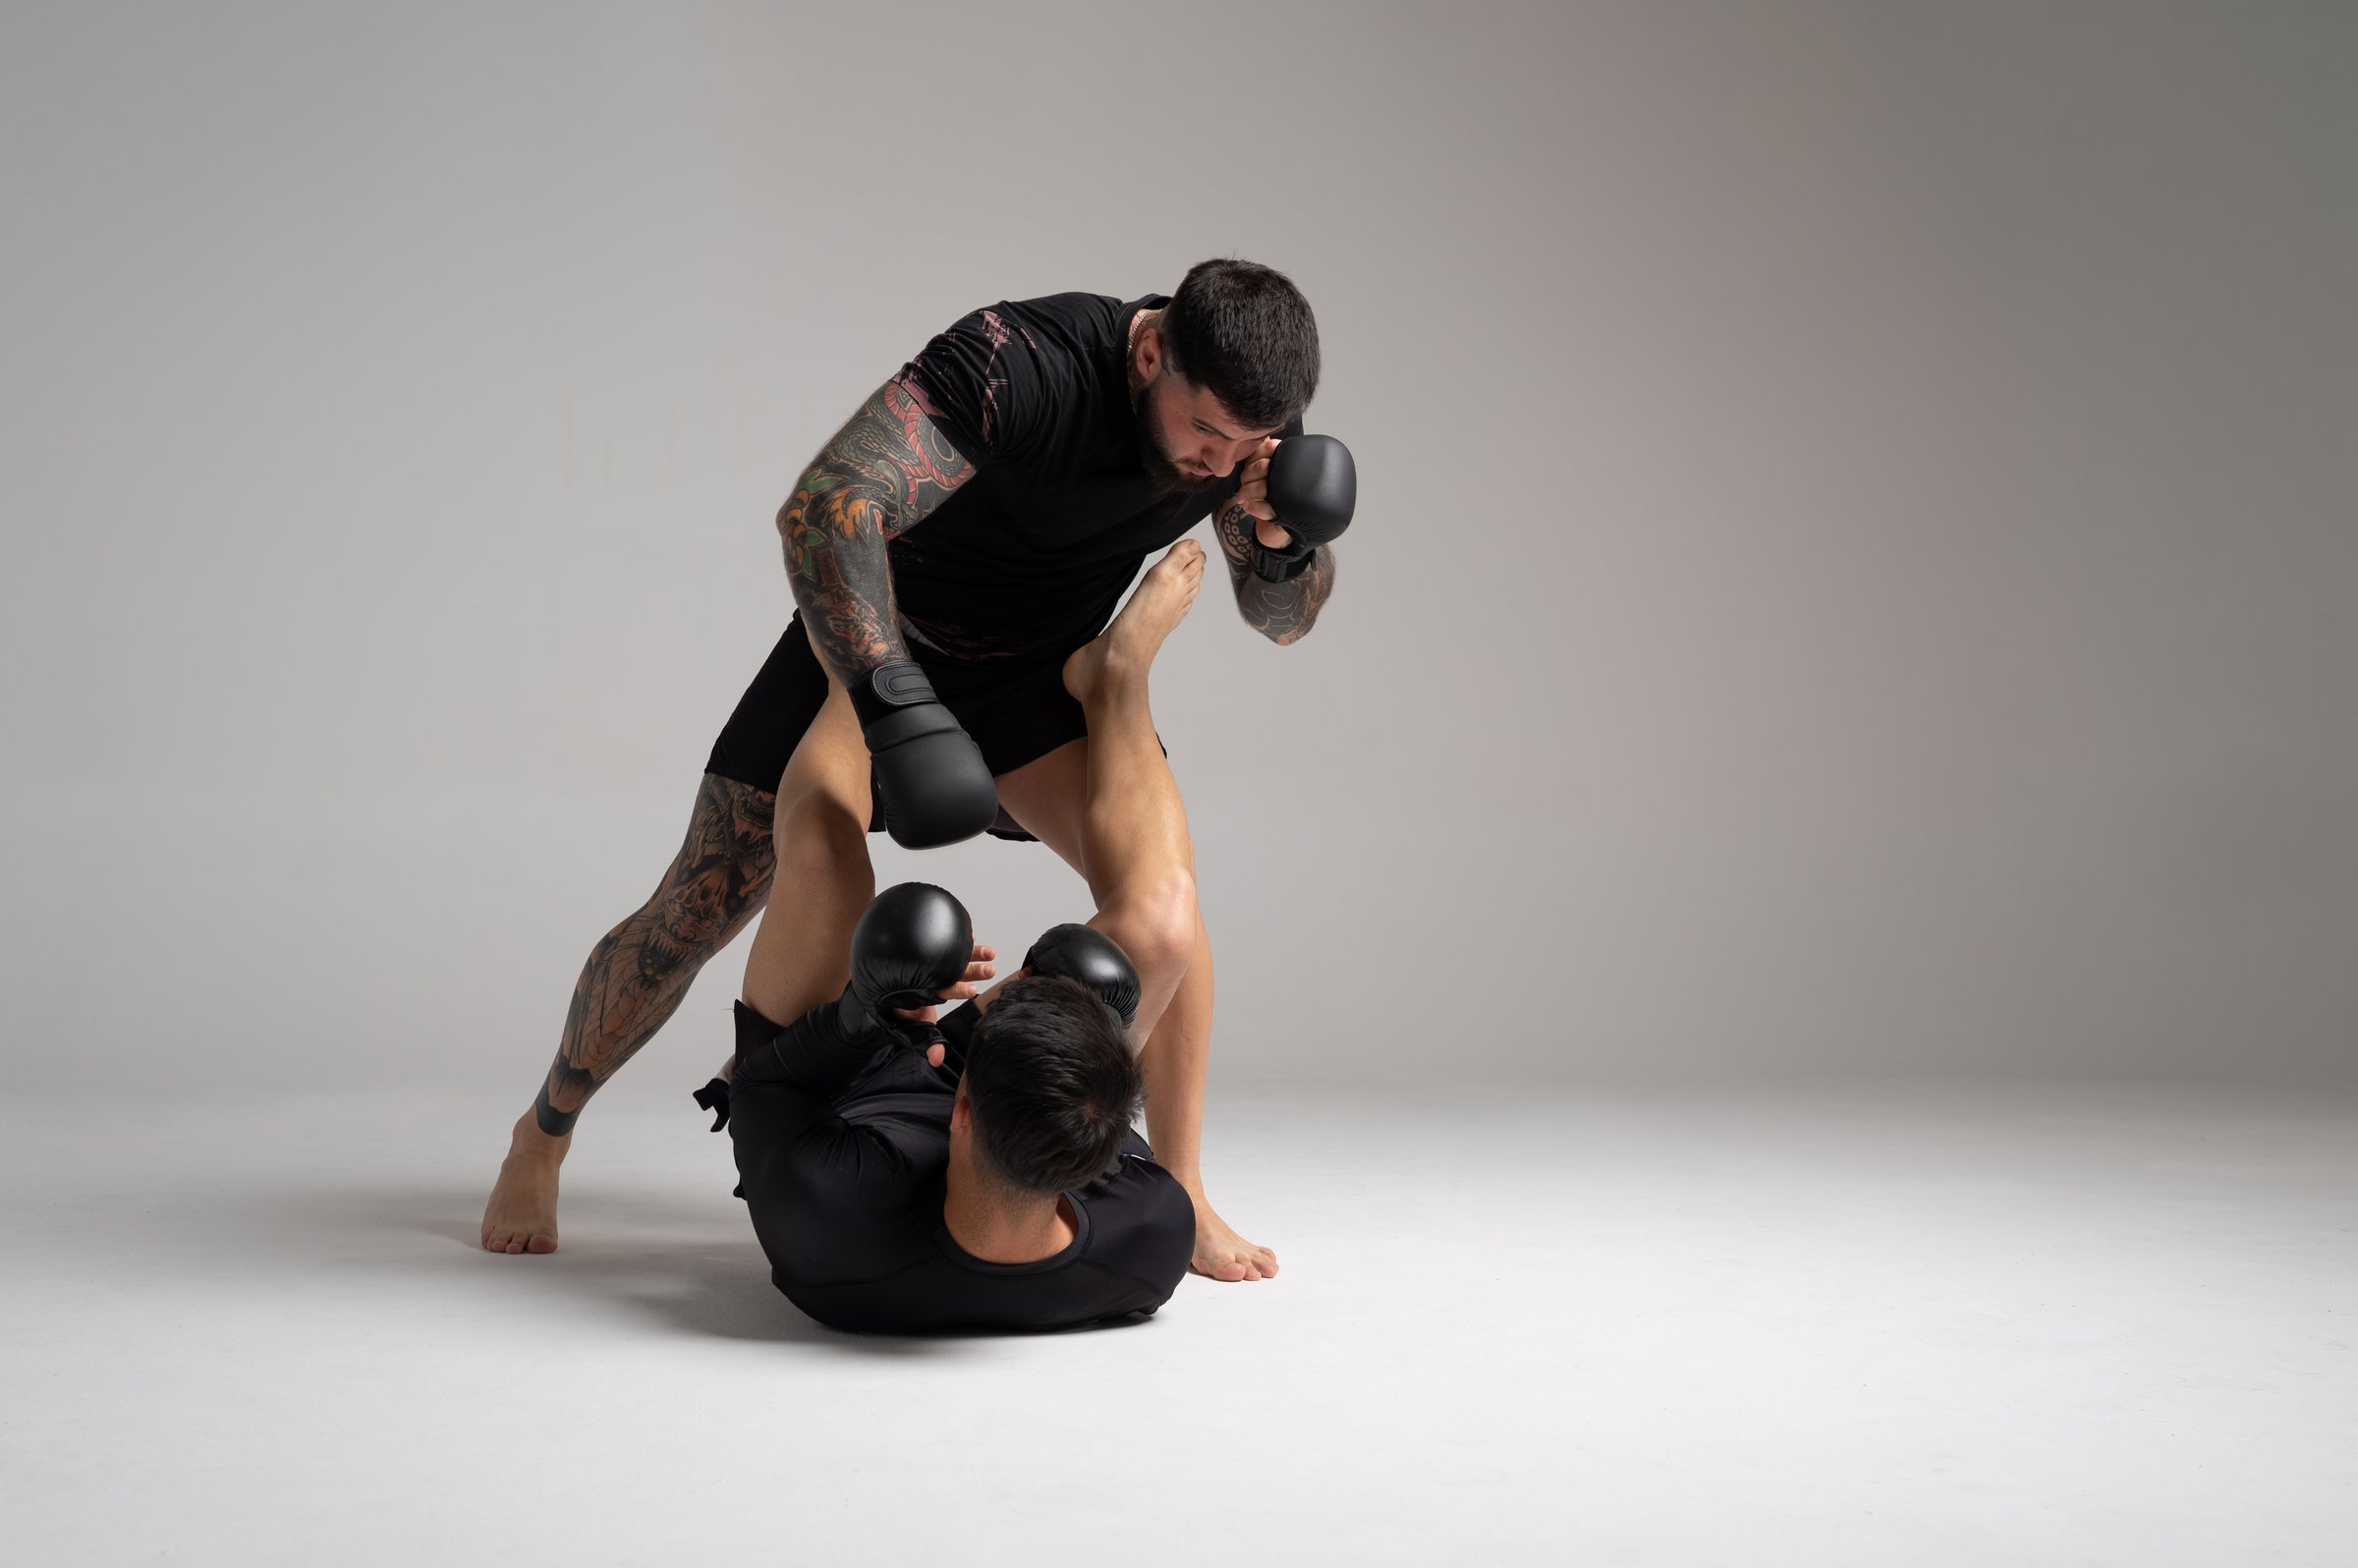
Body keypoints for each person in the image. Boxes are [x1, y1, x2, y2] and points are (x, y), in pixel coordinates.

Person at [482, 258, 1342, 1279]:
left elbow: (1278, 623)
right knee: (694, 908)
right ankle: (544, 1131)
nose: (1217, 465)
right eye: (1206, 433)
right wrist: (895, 700)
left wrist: (1283, 550)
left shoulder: (1240, 437)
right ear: (1152, 354)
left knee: (1168, 905)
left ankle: (1183, 1182)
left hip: (1038, 681)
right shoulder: (1019, 364)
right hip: (872, 651)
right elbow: (825, 504)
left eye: (1248, 446)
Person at [704, 545, 1211, 1331]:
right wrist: (1066, 1020)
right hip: (1013, 1119)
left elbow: (765, 1089)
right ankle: (1118, 680)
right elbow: (1098, 1121)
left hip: (833, 1095)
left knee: (821, 854)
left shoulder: (832, 1220)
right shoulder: (1147, 1243)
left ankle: (858, 662)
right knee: (1161, 927)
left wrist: (865, 1012)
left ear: (963, 1111)